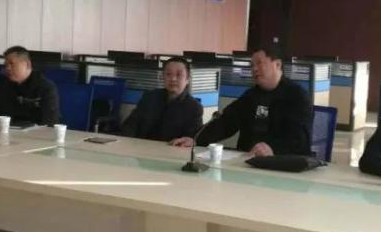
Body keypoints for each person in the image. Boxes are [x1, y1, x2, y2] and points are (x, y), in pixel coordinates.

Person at [175, 45, 312, 156]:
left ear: (277, 64)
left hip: (283, 163)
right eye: (252, 65)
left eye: (259, 63)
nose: (254, 69)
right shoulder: (251, 96)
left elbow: (299, 138)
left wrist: (273, 149)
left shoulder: (296, 96)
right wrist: (196, 139)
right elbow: (226, 122)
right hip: (248, 159)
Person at [122, 57, 204, 143]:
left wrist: (191, 141)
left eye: (178, 75)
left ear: (187, 79)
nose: (173, 79)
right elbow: (130, 125)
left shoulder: (194, 108)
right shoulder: (150, 97)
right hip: (141, 146)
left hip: (171, 149)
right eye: (168, 74)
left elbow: (193, 138)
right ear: (162, 77)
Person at [0, 45, 60, 125]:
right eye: (6, 65)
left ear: (27, 64)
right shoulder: (3, 85)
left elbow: (50, 122)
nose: (7, 68)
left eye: (11, 63)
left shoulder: (46, 88)